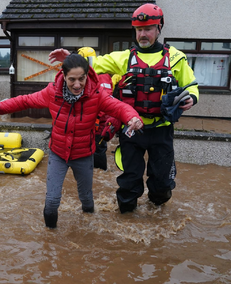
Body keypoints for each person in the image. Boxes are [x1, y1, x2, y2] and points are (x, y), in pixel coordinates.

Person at [49, 3, 199, 213]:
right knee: (129, 181)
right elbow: (93, 65)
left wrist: (192, 97)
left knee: (162, 184)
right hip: (132, 130)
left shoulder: (176, 58)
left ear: (159, 28)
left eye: (148, 29)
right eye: (139, 30)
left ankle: (157, 215)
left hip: (162, 129)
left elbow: (191, 85)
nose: (143, 34)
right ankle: (127, 217)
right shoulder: (123, 57)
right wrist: (70, 58)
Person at [0, 53, 143, 228]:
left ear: (87, 75)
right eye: (72, 79)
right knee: (51, 201)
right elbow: (24, 101)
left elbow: (120, 107)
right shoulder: (52, 92)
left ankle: (88, 231)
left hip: (84, 155)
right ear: (63, 76)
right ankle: (51, 241)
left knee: (86, 198)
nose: (78, 84)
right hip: (58, 154)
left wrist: (132, 118)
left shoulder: (97, 95)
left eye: (82, 79)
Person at [78, 46, 123, 170]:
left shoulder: (101, 76)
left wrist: (98, 121)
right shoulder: (89, 75)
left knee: (98, 152)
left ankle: (99, 176)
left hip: (98, 124)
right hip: (91, 123)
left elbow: (105, 101)